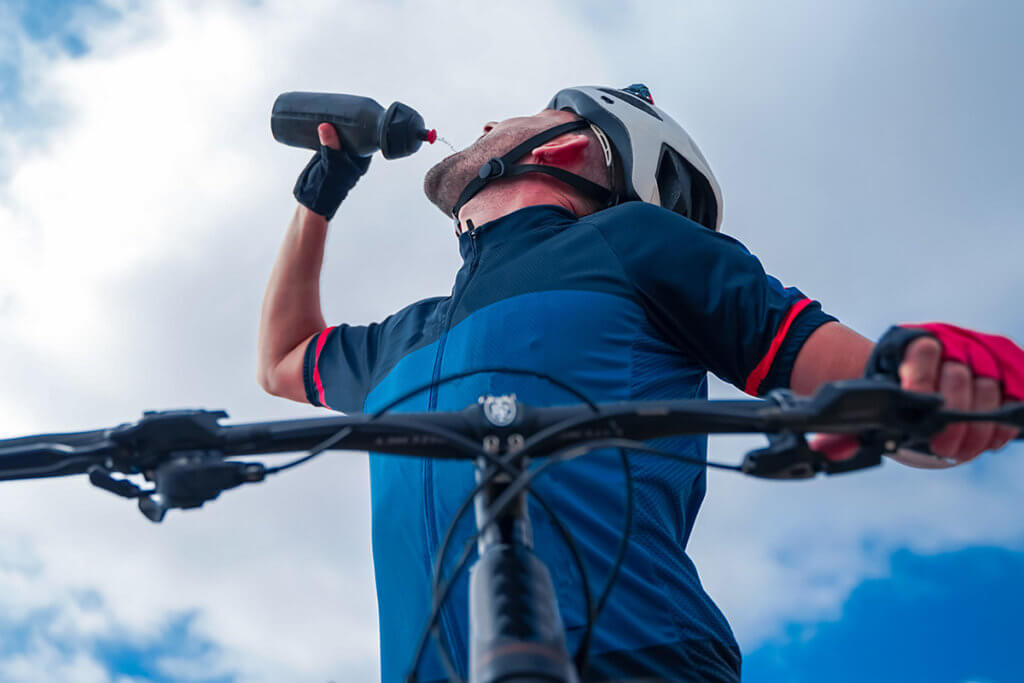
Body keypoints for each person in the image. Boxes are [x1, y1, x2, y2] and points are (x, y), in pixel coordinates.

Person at [257, 84, 1023, 682]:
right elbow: (284, 360)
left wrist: (947, 381)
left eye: (526, 114)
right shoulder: (406, 332)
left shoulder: (634, 242)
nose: (488, 120)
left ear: (569, 150)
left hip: (644, 660)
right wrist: (318, 195)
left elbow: (887, 396)